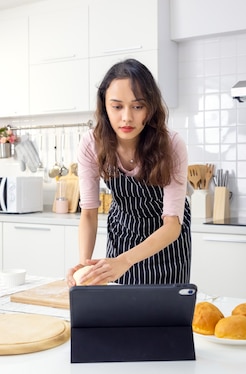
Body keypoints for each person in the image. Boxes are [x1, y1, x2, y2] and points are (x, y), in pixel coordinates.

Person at [66, 58, 191, 286]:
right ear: (104, 106)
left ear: (150, 108)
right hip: (123, 234)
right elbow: (89, 213)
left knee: (163, 316)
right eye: (117, 106)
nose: (126, 117)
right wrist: (85, 266)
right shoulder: (91, 144)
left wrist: (124, 261)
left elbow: (172, 224)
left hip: (165, 244)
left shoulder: (171, 144)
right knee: (120, 312)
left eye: (137, 106)